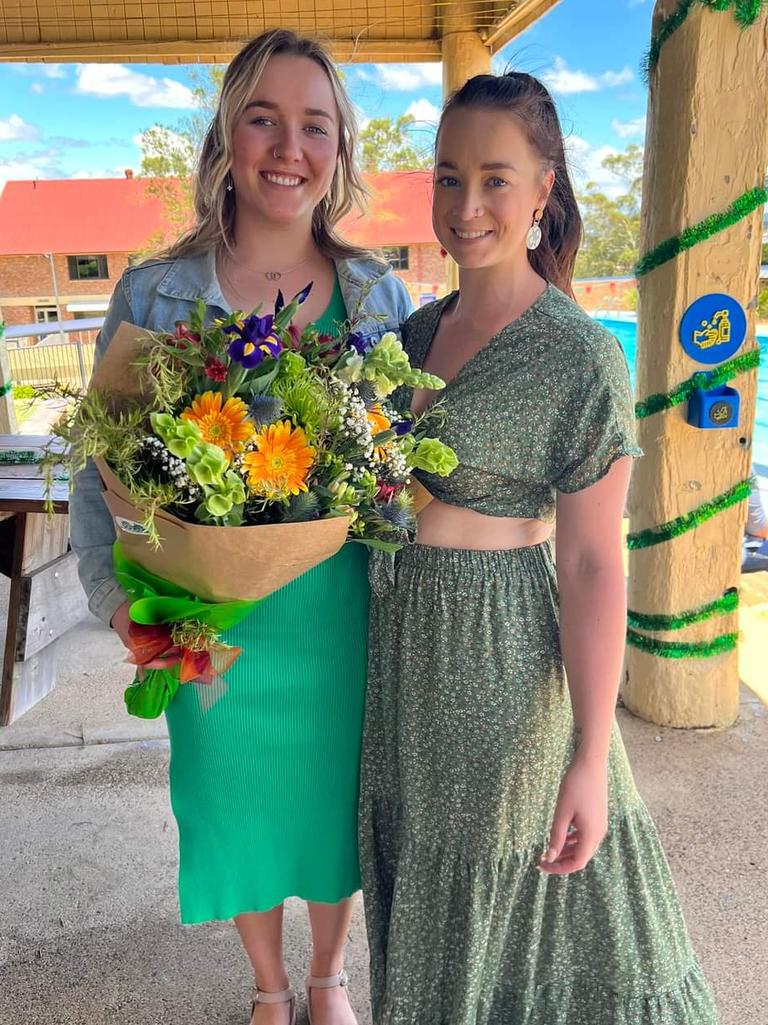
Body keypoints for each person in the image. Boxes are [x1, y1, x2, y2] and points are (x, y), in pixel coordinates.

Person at [359, 72, 720, 1024]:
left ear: (545, 188)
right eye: (447, 177)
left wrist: (592, 756)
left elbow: (597, 563)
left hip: (503, 661)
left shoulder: (578, 354)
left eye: (495, 179)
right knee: (427, 878)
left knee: (514, 893)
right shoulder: (412, 334)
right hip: (406, 659)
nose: (466, 205)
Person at [70, 29, 411, 1025]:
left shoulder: (381, 296)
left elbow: (402, 473)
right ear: (228, 133)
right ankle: (269, 985)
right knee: (233, 792)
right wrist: (124, 604)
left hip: (340, 612)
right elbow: (102, 469)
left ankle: (327, 977)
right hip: (205, 614)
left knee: (329, 797)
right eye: (263, 116)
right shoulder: (155, 291)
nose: (287, 145)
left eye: (314, 124)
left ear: (340, 148)